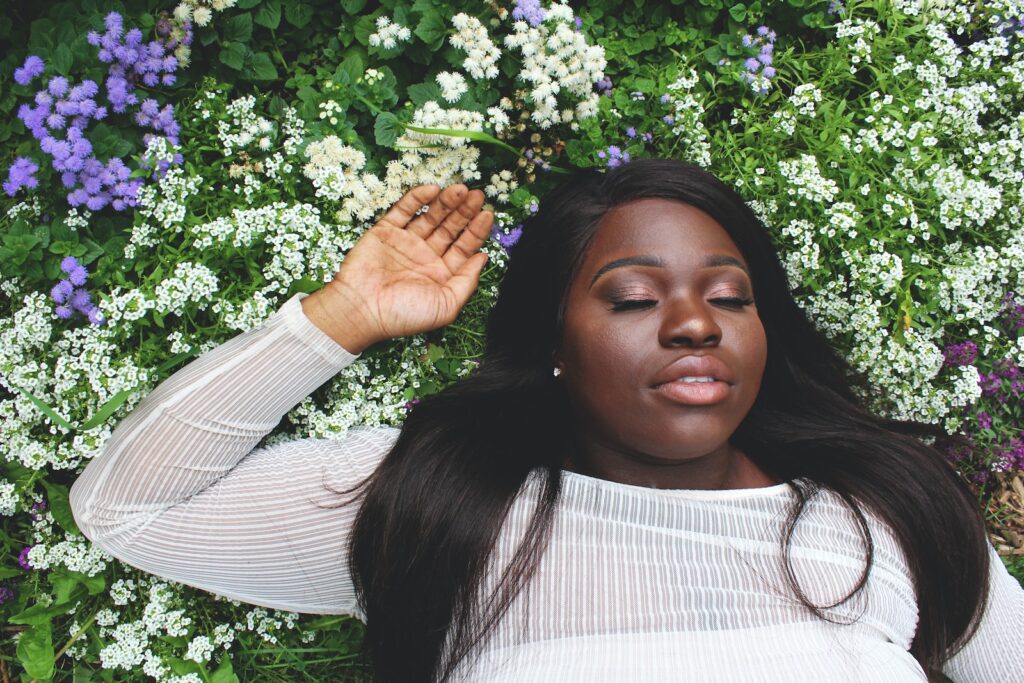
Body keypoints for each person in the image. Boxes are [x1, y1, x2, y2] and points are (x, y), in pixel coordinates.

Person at [69, 159, 1023, 683]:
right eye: (634, 298)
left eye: (729, 297)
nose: (695, 322)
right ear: (553, 343)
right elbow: (127, 508)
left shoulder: (887, 518)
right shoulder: (444, 506)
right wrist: (338, 320)